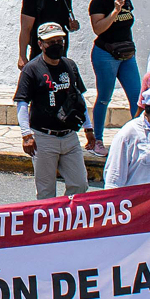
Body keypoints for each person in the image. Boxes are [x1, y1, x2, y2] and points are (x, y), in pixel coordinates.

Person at [16, 21, 88, 198]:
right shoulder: (31, 70)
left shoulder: (70, 65)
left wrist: (89, 127)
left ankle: (68, 221)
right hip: (44, 138)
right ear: (40, 44)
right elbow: (22, 103)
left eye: (59, 41)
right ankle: (49, 224)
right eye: (51, 42)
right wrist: (26, 135)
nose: (56, 45)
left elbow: (79, 98)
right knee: (46, 191)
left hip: (69, 136)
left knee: (80, 185)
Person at [83, 0, 139, 155]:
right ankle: (97, 139)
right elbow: (98, 28)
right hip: (105, 55)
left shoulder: (126, 0)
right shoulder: (99, 3)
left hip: (126, 54)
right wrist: (114, 12)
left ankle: (139, 139)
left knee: (136, 97)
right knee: (104, 97)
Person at [18, 0, 78, 65]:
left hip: (60, 53)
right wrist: (22, 56)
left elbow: (66, 24)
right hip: (40, 54)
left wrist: (72, 26)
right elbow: (26, 29)